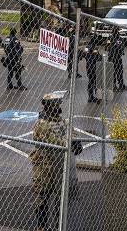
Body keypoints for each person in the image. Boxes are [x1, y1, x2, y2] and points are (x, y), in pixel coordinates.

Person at [29, 93, 82, 231]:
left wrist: (75, 140)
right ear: (48, 106)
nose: (58, 107)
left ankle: (59, 225)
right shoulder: (42, 124)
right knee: (43, 196)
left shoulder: (62, 121)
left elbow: (71, 132)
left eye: (58, 104)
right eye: (55, 104)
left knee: (61, 197)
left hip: (60, 165)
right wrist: (70, 142)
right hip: (45, 165)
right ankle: (42, 227)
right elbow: (54, 142)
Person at [83, 35, 102, 103]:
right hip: (94, 67)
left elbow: (84, 55)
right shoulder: (95, 48)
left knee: (90, 81)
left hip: (88, 67)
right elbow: (98, 58)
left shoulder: (87, 47)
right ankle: (97, 97)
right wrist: (100, 56)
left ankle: (90, 97)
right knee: (96, 82)